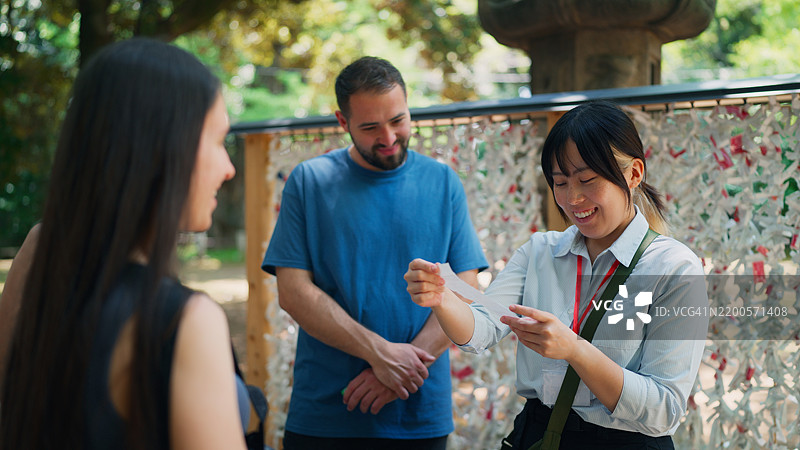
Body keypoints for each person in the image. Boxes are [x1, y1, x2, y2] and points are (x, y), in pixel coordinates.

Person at [405, 100, 709, 449]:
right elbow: (482, 329)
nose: (573, 198)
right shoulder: (540, 252)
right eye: (560, 182)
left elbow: (664, 409)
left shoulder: (673, 268)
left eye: (587, 179)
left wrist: (575, 350)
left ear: (634, 173)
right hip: (540, 435)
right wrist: (442, 299)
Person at [0, 38, 247, 450]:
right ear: (165, 146)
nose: (229, 168)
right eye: (219, 141)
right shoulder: (182, 319)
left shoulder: (42, 260)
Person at [262, 56, 488, 450]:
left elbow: (467, 287)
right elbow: (293, 292)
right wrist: (380, 355)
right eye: (369, 127)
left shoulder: (443, 181)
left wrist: (402, 368)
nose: (388, 137)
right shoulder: (309, 182)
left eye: (398, 120)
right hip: (325, 414)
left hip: (418, 413)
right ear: (342, 122)